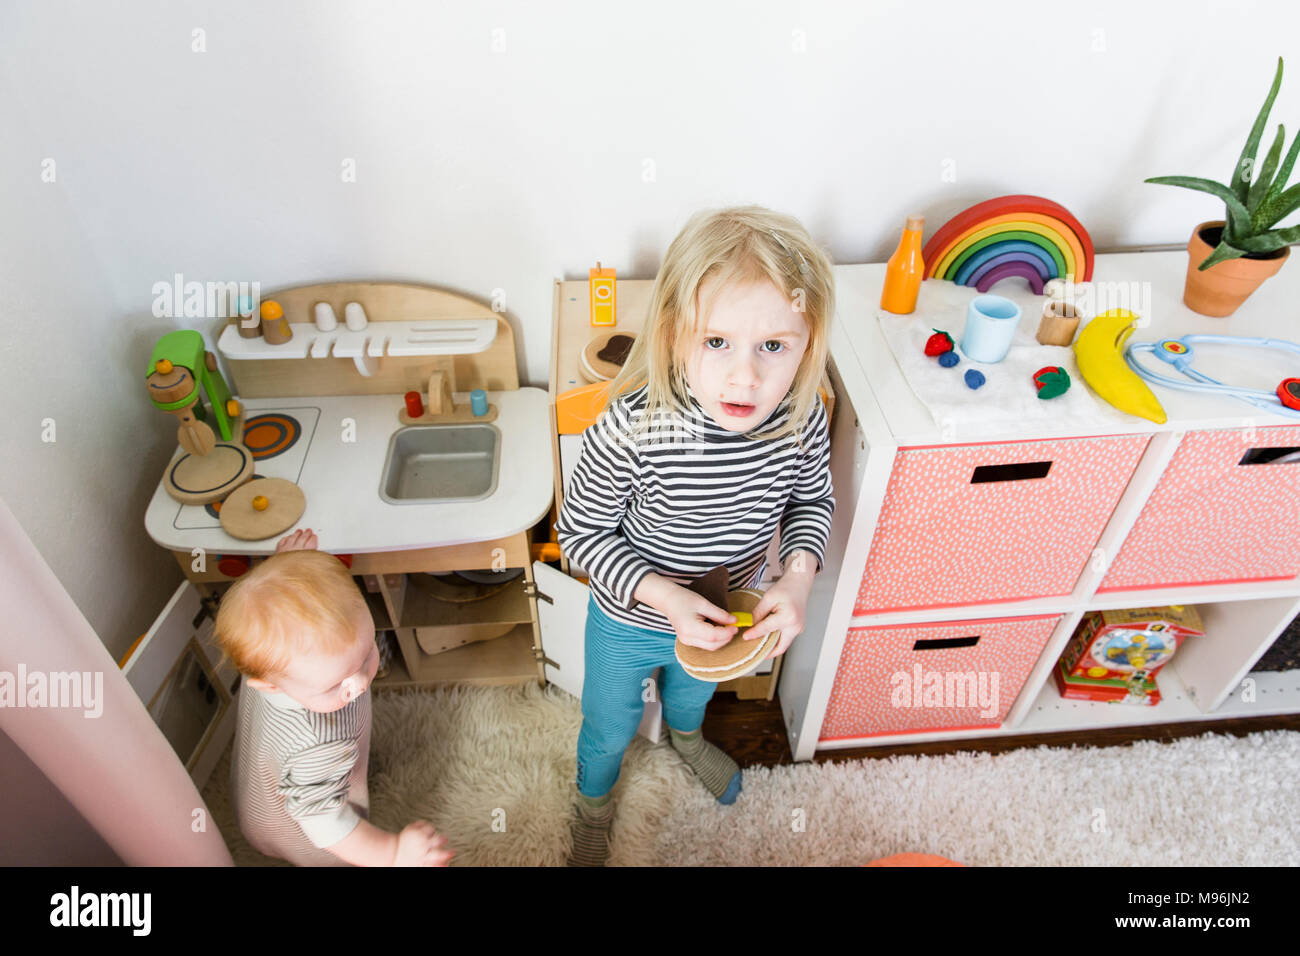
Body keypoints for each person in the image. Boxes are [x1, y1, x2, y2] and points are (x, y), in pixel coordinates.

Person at [555, 205, 836, 865]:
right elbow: (581, 535)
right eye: (717, 342)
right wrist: (665, 598)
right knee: (609, 724)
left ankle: (685, 740)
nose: (746, 376)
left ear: (808, 339)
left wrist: (797, 577)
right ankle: (592, 802)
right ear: (677, 334)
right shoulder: (633, 426)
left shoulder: (800, 417)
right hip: (629, 615)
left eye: (774, 345)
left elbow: (812, 500)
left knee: (693, 694)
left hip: (727, 608)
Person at [214, 528, 453, 866]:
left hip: (263, 791)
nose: (358, 684)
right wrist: (392, 853)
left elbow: (282, 607)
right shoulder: (317, 742)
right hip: (299, 832)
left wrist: (287, 566)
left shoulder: (273, 657)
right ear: (269, 684)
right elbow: (325, 823)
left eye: (367, 653)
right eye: (334, 685)